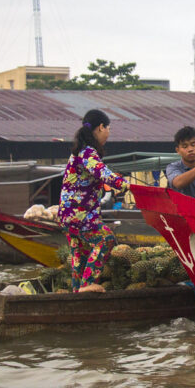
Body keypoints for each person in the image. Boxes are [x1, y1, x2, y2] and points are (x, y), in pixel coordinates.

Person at [58, 109, 127, 293]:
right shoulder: (88, 152)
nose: (108, 133)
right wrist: (124, 185)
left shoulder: (79, 152)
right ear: (100, 127)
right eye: (108, 128)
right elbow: (102, 172)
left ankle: (77, 293)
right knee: (106, 239)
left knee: (78, 254)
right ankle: (88, 284)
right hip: (79, 215)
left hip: (69, 215)